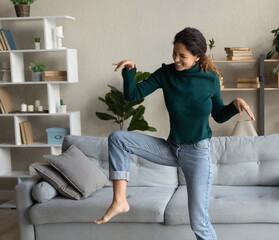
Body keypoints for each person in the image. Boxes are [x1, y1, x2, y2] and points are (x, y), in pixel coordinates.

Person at [95, 27, 255, 240]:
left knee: (199, 222)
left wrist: (235, 105)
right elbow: (132, 94)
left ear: (197, 56)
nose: (176, 59)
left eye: (183, 56)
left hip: (198, 154)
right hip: (171, 148)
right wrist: (129, 71)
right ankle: (120, 201)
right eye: (175, 53)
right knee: (118, 139)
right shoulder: (166, 74)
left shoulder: (210, 79)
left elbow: (217, 115)